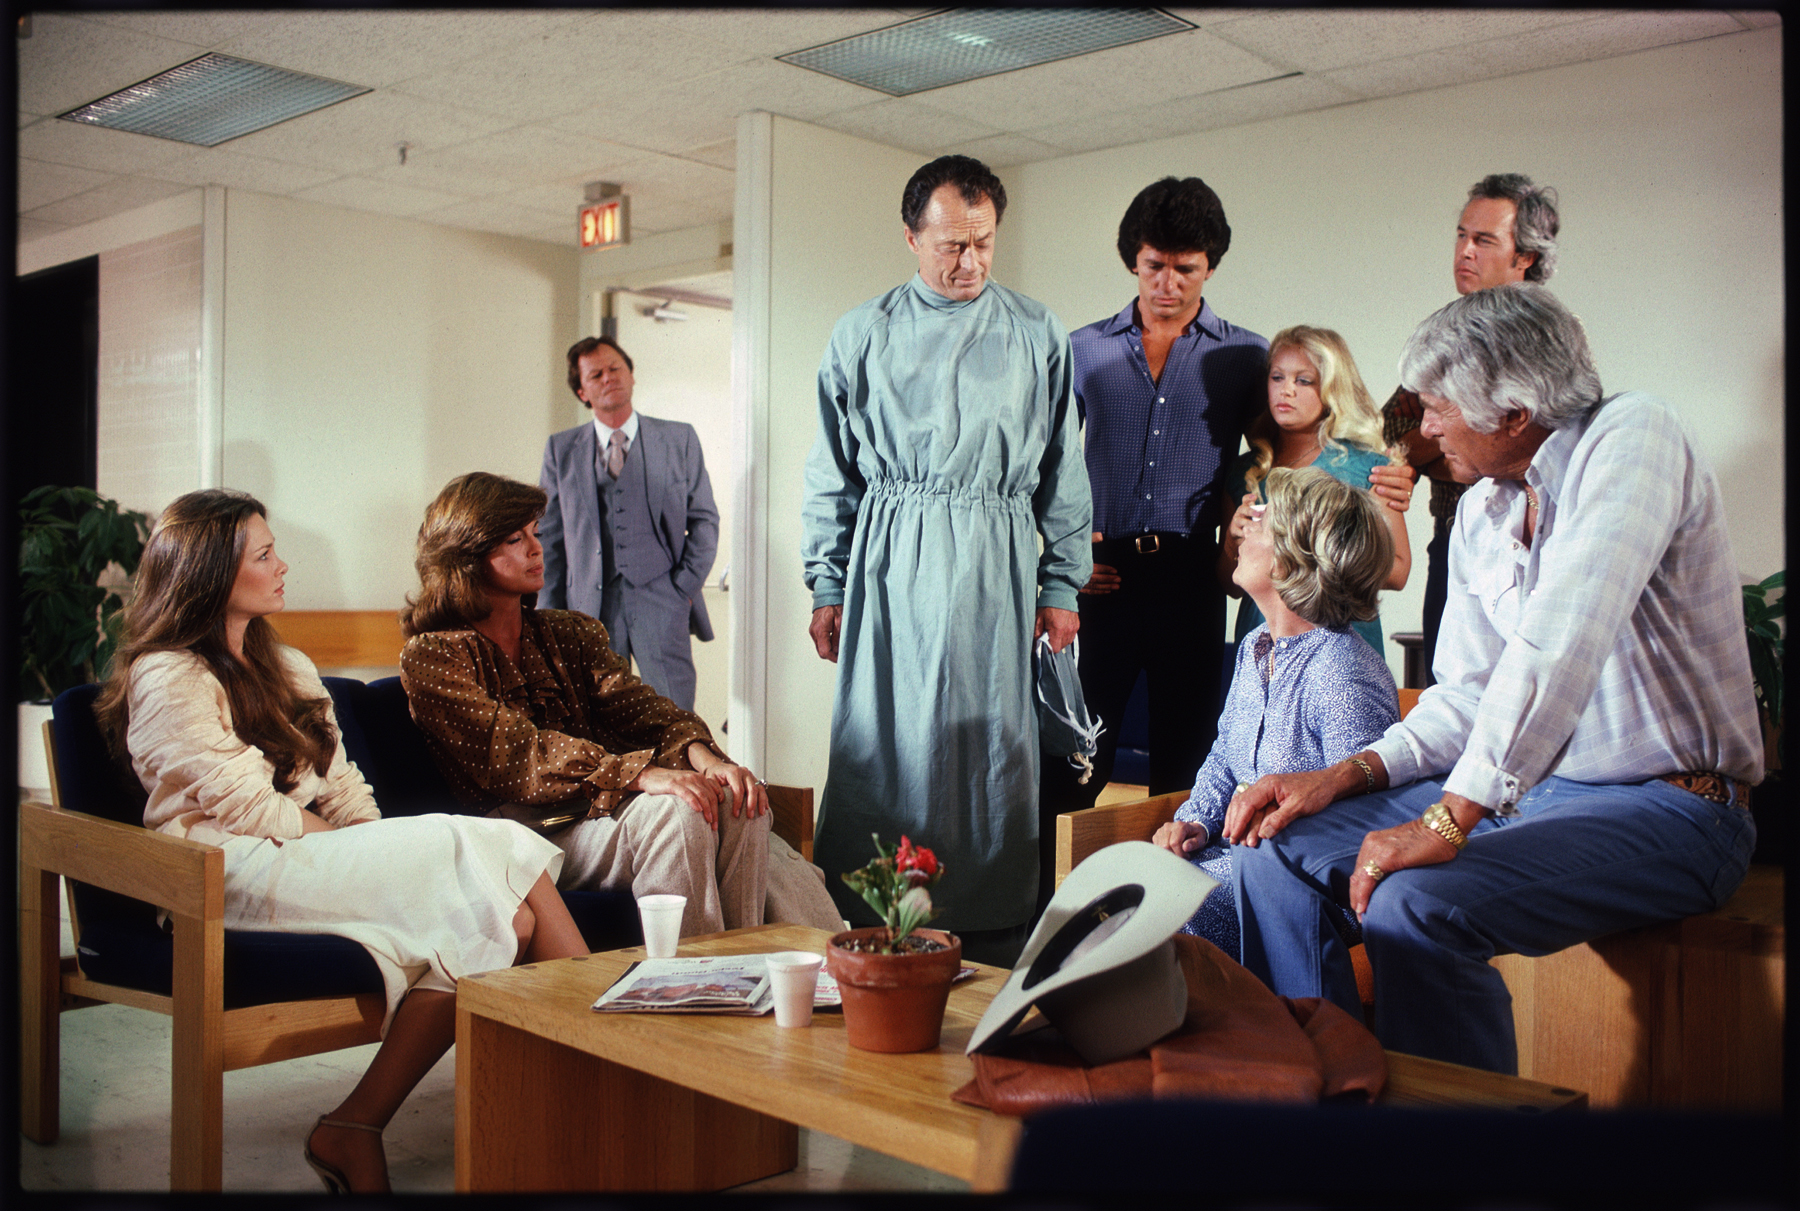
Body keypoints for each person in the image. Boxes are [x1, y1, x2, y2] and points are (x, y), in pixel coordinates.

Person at [1227, 284, 1761, 1075]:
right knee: (1271, 842)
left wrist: (1448, 821)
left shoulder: (1636, 434)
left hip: (1679, 807)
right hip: (1540, 794)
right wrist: (1342, 774)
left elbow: (1562, 640)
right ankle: (1340, 1094)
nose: (1425, 428)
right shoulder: (1481, 513)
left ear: (1513, 410)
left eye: (1438, 407)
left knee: (1416, 906)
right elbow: (1467, 697)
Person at [95, 489, 586, 1194]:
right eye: (264, 555)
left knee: (506, 918)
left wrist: (374, 851)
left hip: (304, 857)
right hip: (223, 873)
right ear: (211, 576)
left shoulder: (287, 664)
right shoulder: (168, 674)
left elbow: (345, 787)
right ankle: (606, 1074)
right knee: (500, 844)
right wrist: (367, 856)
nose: (282, 564)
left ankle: (352, 1125)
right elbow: (249, 810)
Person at [801, 154, 1091, 959]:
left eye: (984, 243)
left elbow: (1064, 472)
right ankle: (874, 930)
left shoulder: (1036, 331)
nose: (969, 262)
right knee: (886, 743)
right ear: (910, 239)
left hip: (995, 562)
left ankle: (992, 936)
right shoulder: (862, 334)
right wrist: (826, 579)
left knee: (987, 748)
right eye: (951, 246)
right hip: (891, 562)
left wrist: (1061, 582)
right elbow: (831, 470)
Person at [400, 472, 841, 938]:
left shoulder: (568, 632)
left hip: (596, 811)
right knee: (679, 811)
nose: (536, 548)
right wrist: (642, 775)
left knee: (736, 800)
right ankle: (686, 987)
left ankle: (743, 978)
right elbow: (520, 754)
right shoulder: (433, 655)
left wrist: (706, 759)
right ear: (467, 557)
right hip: (522, 835)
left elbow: (645, 710)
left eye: (535, 532)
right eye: (514, 538)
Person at [1045, 176, 1267, 855]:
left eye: (1186, 269)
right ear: (1133, 260)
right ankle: (1048, 915)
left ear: (1210, 267)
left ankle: (1179, 928)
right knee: (1081, 760)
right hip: (1104, 574)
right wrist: (1066, 561)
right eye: (1154, 266)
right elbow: (1044, 467)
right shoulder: (1084, 350)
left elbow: (1269, 461)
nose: (1167, 282)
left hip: (1193, 577)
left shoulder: (1244, 356)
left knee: (1188, 764)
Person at [1152, 468, 1399, 959]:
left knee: (1162, 907)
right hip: (1233, 864)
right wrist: (1195, 823)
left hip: (1302, 886)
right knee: (1117, 888)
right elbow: (1225, 754)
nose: (1242, 532)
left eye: (1260, 524)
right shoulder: (1254, 646)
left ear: (1290, 562)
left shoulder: (1343, 669)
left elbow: (1359, 815)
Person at [1382, 173, 1560, 685]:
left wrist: (1428, 455)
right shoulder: (1444, 330)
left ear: (1524, 256)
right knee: (1452, 694)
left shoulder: (1543, 336)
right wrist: (1447, 449)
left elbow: (1526, 439)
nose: (1465, 251)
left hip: (1532, 538)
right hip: (1453, 538)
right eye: (1462, 235)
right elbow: (1393, 433)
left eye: (1483, 240)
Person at [538, 334, 719, 711]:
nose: (608, 378)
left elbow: (704, 519)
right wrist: (549, 618)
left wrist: (682, 587)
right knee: (599, 719)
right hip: (586, 611)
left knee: (674, 714)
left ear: (631, 375)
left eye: (615, 368)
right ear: (582, 392)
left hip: (662, 601)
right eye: (596, 374)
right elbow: (550, 541)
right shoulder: (561, 450)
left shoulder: (678, 439)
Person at [1218, 326, 1415, 657]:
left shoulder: (1371, 467)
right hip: (1262, 639)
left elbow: (1398, 571)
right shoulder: (1244, 471)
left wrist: (1309, 549)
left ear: (1332, 390)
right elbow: (1228, 586)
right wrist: (1231, 545)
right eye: (1277, 377)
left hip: (1342, 640)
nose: (1287, 391)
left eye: (1303, 380)